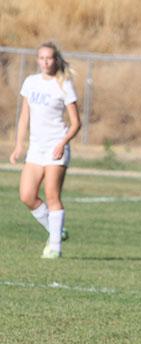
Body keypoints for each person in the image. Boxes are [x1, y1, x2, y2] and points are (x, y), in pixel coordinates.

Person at [10, 41, 81, 259]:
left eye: (49, 58)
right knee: (27, 196)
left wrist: (62, 142)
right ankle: (56, 231)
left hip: (55, 147)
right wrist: (19, 145)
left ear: (55, 59)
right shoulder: (31, 83)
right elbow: (24, 117)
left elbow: (76, 123)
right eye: (41, 58)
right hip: (36, 148)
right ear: (37, 60)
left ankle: (55, 248)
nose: (45, 62)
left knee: (52, 194)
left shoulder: (64, 84)